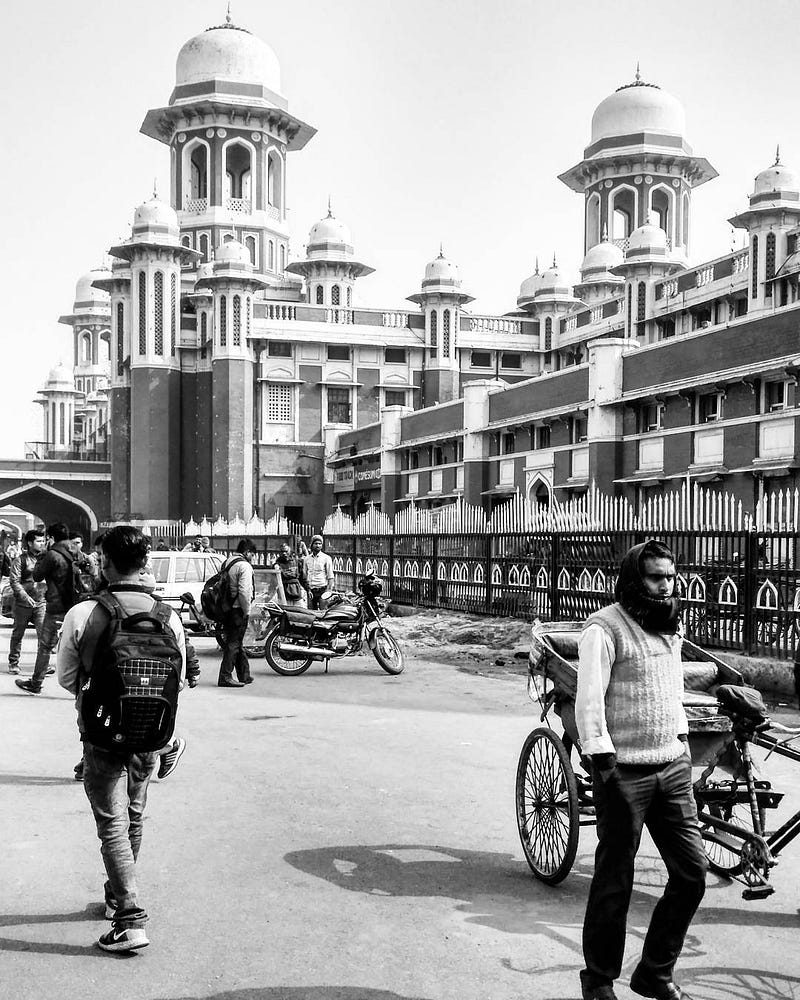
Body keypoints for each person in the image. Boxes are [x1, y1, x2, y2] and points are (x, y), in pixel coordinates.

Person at [575, 539, 705, 1000]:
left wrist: (683, 740)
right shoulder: (604, 628)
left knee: (692, 873)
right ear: (635, 579)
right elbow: (589, 700)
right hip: (623, 772)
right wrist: (603, 759)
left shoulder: (672, 625)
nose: (666, 585)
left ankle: (653, 973)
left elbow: (670, 688)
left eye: (671, 576)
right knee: (616, 880)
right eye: (656, 577)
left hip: (672, 766)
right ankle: (599, 980)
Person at [57, 525, 186, 953]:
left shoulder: (85, 613)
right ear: (144, 563)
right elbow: (179, 680)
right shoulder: (168, 616)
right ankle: (116, 896)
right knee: (133, 815)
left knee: (111, 823)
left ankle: (129, 917)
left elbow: (67, 679)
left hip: (100, 733)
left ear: (108, 563)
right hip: (151, 733)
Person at [15, 523, 86, 695]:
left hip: (57, 606)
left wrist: (42, 556)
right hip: (78, 605)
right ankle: (83, 687)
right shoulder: (77, 551)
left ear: (51, 538)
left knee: (45, 646)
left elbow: (37, 576)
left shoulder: (52, 555)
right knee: (81, 646)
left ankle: (36, 683)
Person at [218, 538, 256, 687]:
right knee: (233, 643)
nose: (253, 557)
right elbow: (244, 591)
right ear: (247, 552)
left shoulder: (227, 562)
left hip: (226, 608)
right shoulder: (244, 566)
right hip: (237, 609)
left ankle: (244, 674)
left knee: (236, 642)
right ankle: (225, 677)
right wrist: (247, 610)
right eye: (252, 554)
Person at [7, 529, 46, 675]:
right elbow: (14, 581)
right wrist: (25, 596)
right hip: (22, 604)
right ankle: (13, 662)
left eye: (43, 541)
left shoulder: (46, 559)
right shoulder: (21, 560)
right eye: (38, 541)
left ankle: (42, 666)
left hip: (40, 603)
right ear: (30, 543)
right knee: (18, 634)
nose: (42, 544)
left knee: (43, 636)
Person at [300, 534, 334, 610]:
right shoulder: (307, 559)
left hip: (322, 589)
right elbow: (304, 575)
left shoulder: (326, 558)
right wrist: (308, 589)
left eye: (320, 544)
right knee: (311, 613)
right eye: (316, 544)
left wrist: (328, 591)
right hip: (311, 590)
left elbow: (330, 576)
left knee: (323, 612)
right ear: (312, 545)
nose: (318, 546)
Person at [272, 539, 304, 607]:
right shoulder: (278, 564)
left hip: (296, 591)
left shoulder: (297, 562)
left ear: (290, 551)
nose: (284, 553)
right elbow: (273, 580)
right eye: (282, 551)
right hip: (284, 592)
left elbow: (302, 577)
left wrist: (308, 589)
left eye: (286, 551)